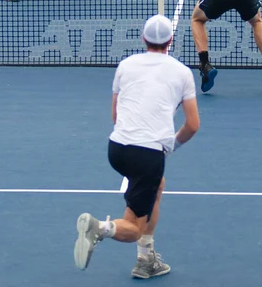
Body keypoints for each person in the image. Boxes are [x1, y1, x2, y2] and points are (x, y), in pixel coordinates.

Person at [74, 14, 200, 278]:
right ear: (171, 41)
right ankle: (99, 229)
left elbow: (116, 116)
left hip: (117, 149)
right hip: (147, 155)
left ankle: (147, 259)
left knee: (158, 184)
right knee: (134, 228)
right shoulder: (182, 73)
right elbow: (192, 125)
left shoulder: (126, 65)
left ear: (144, 39)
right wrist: (171, 146)